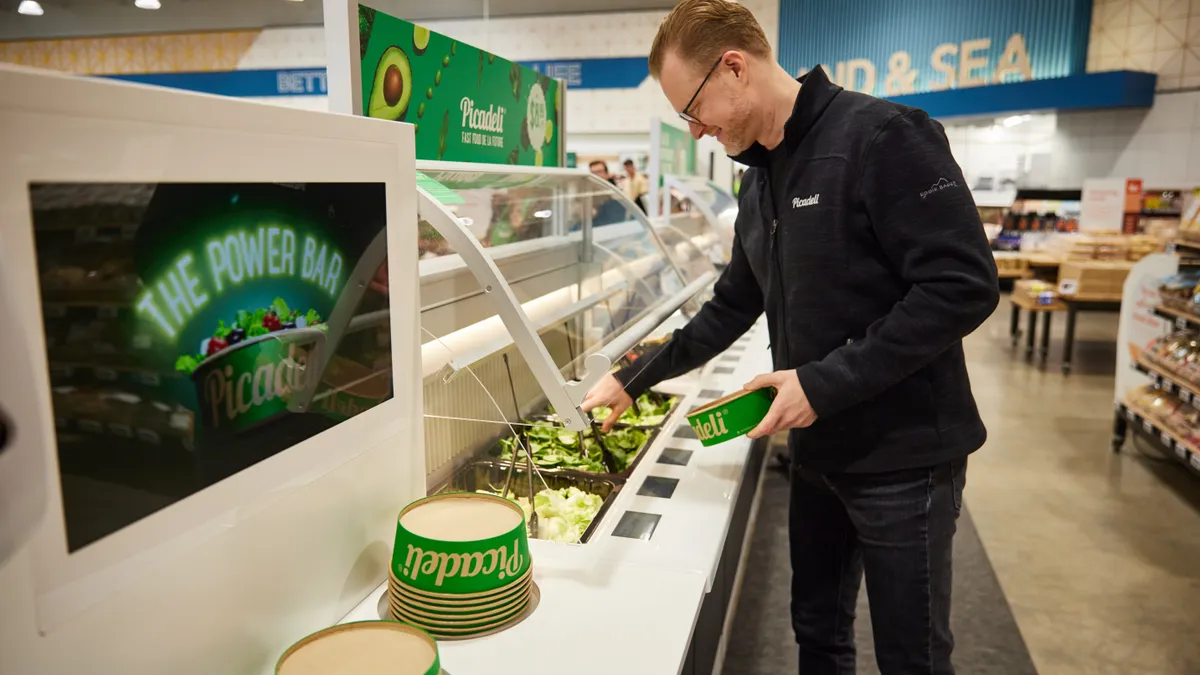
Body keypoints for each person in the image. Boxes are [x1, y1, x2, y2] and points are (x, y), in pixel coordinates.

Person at [580, 1, 999, 674]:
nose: (694, 132)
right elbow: (730, 306)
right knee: (817, 634)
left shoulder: (884, 136)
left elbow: (963, 286)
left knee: (911, 655)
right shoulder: (761, 180)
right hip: (818, 453)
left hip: (905, 459)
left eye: (692, 109)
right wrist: (632, 376)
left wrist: (819, 383)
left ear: (734, 68)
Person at [587, 160, 630, 226]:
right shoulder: (587, 194)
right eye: (593, 173)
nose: (596, 176)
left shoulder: (615, 194)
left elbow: (617, 220)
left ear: (606, 174)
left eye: (599, 172)